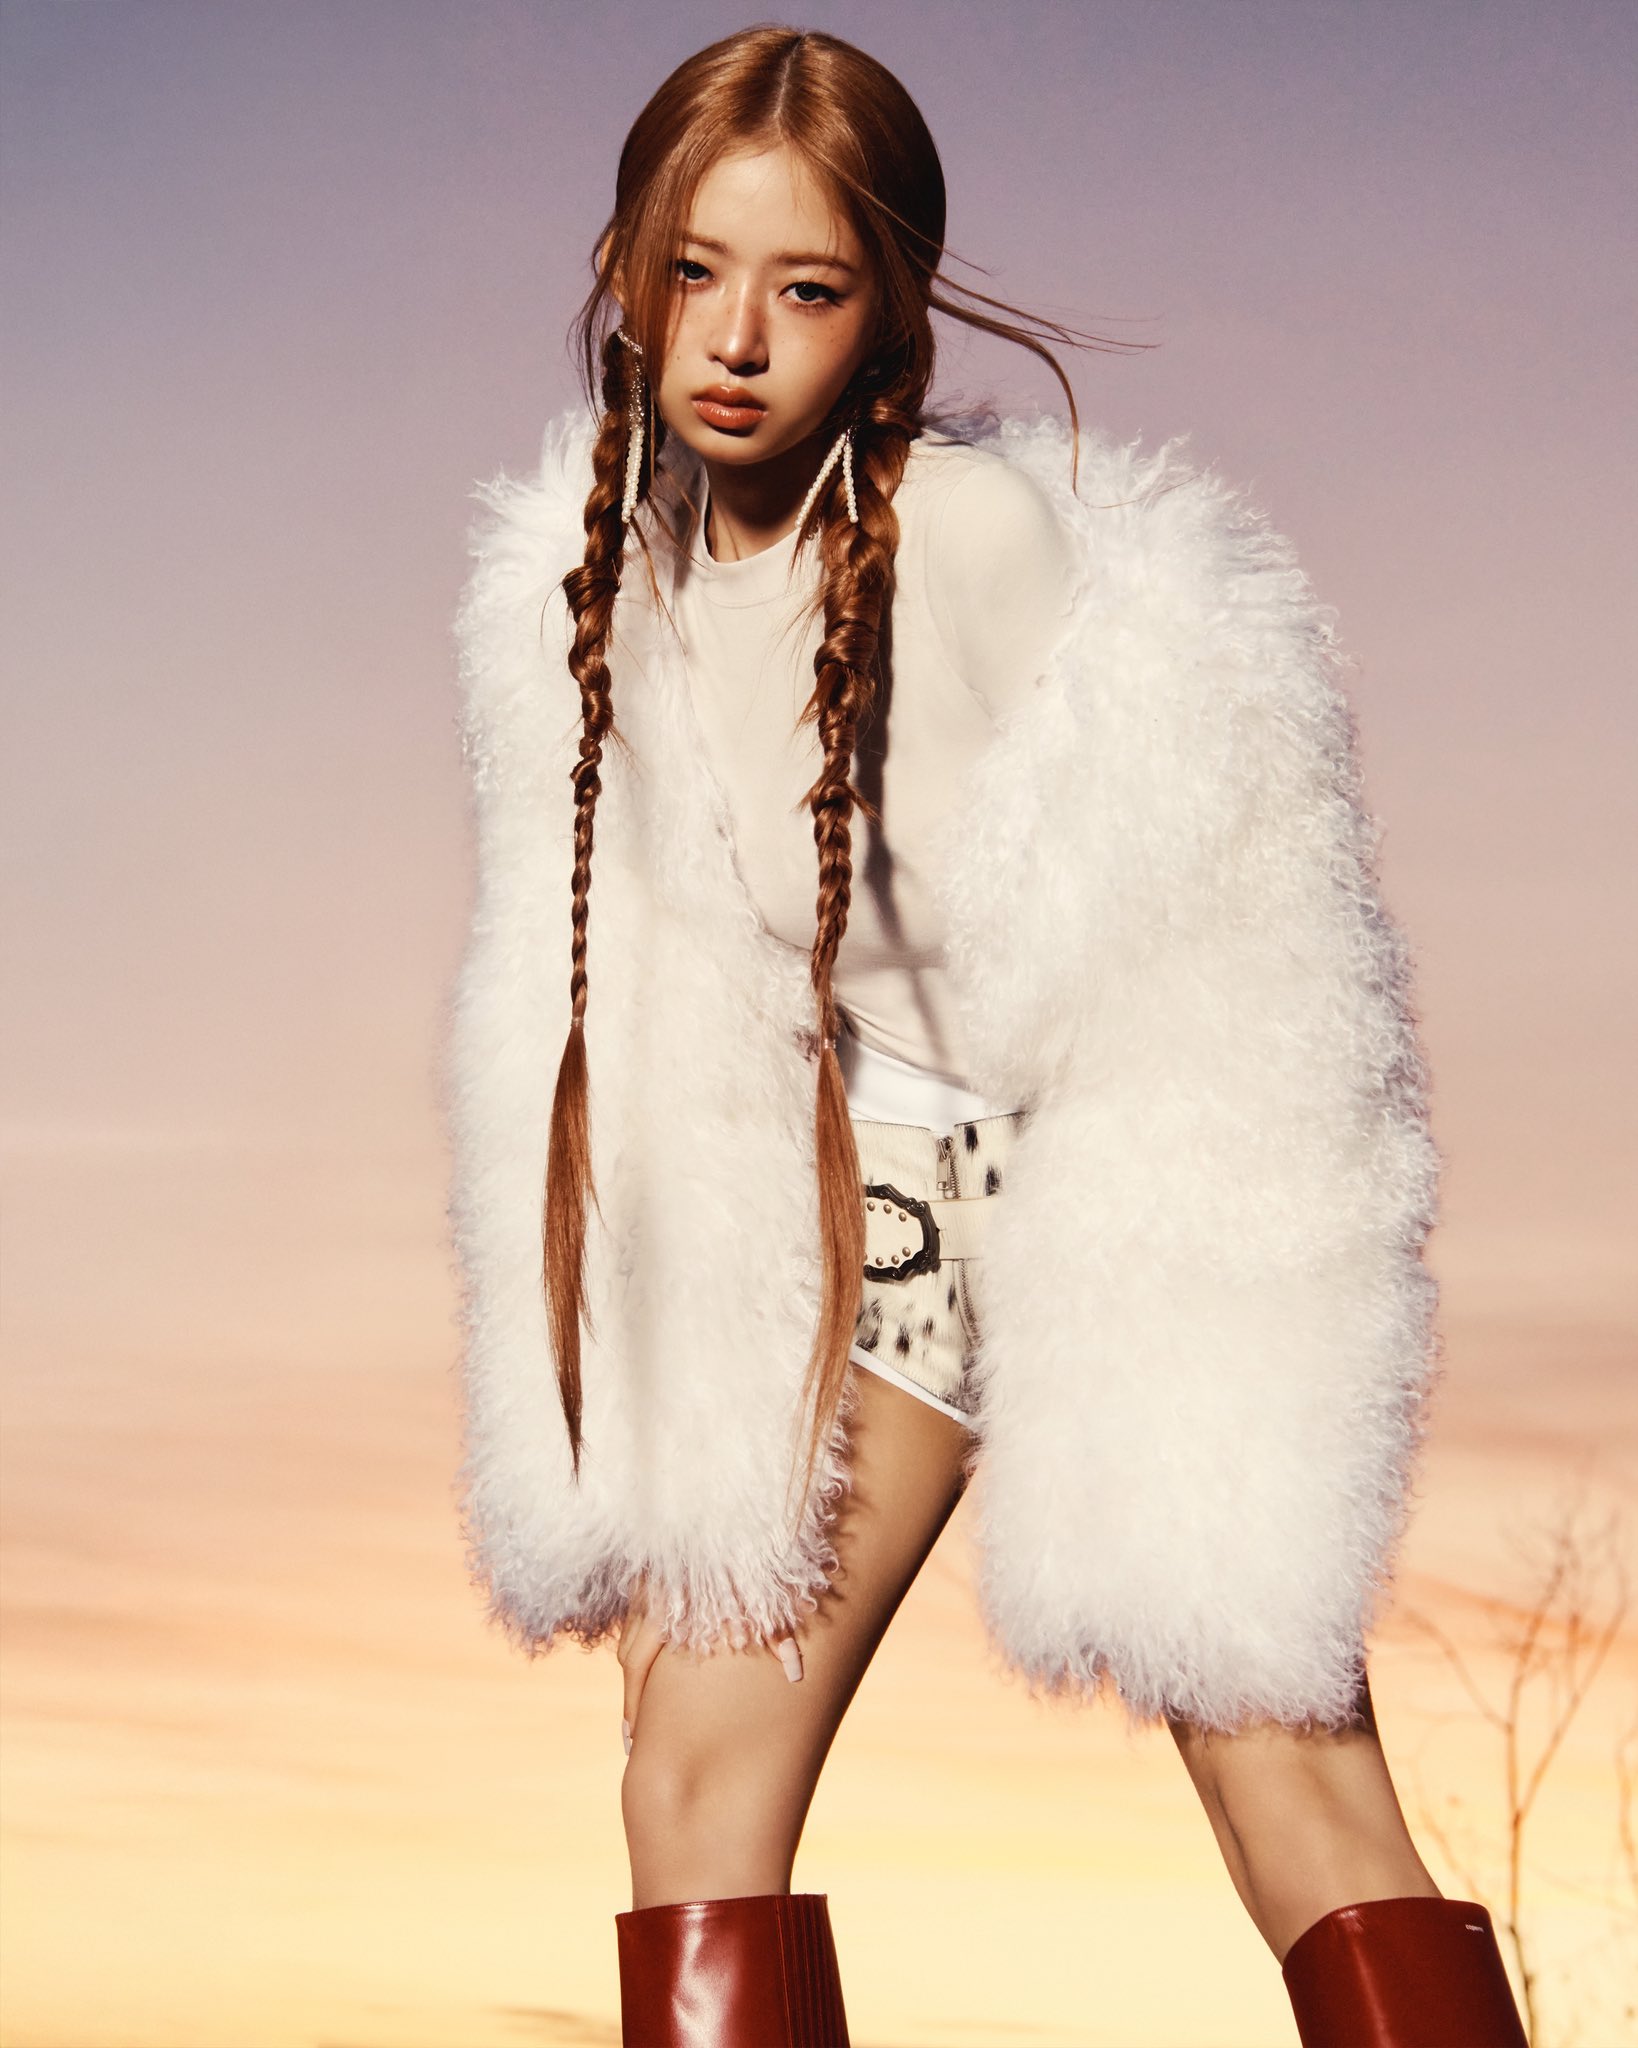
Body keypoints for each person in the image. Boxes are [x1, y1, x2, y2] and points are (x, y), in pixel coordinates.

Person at [444, 25, 1529, 2047]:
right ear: (626, 271)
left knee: (1287, 1775)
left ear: (889, 312)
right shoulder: (592, 591)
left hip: (1111, 1165)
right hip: (879, 1187)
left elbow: (1229, 929)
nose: (737, 340)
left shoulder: (976, 540)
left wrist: (1196, 1307)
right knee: (688, 1772)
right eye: (694, 271)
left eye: (806, 288)